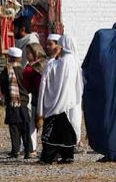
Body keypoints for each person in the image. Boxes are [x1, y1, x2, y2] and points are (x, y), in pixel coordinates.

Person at [83, 22, 116, 162]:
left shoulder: (107, 50)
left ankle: (111, 150)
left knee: (109, 118)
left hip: (109, 93)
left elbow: (94, 67)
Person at [36, 33, 83, 165]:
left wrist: (52, 58)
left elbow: (47, 80)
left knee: (53, 133)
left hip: (55, 104)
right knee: (66, 131)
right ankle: (67, 156)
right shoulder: (75, 61)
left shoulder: (56, 63)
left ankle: (48, 157)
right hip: (71, 103)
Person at [14, 15, 41, 153]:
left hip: (28, 84)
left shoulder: (30, 42)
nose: (14, 31)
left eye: (16, 28)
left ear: (22, 28)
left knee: (29, 117)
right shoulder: (22, 41)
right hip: (21, 83)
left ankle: (31, 147)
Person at [0, 46, 32, 159]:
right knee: (25, 127)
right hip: (23, 103)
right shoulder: (24, 71)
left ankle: (15, 150)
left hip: (12, 103)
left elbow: (1, 85)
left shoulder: (7, 71)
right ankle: (28, 151)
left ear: (10, 58)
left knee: (14, 127)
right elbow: (29, 87)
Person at [22, 42, 47, 154]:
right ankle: (32, 147)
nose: (27, 55)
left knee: (40, 123)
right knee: (33, 123)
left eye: (29, 53)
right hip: (37, 98)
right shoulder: (44, 64)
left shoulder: (35, 66)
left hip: (43, 98)